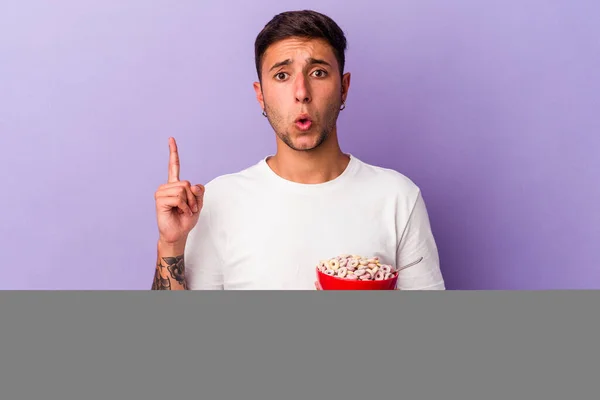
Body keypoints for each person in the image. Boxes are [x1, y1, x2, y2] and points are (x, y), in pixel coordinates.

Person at [151, 10, 445, 290]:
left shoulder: (397, 197)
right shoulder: (219, 201)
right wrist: (171, 244)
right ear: (261, 96)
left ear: (344, 87)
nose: (301, 92)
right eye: (282, 75)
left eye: (318, 73)